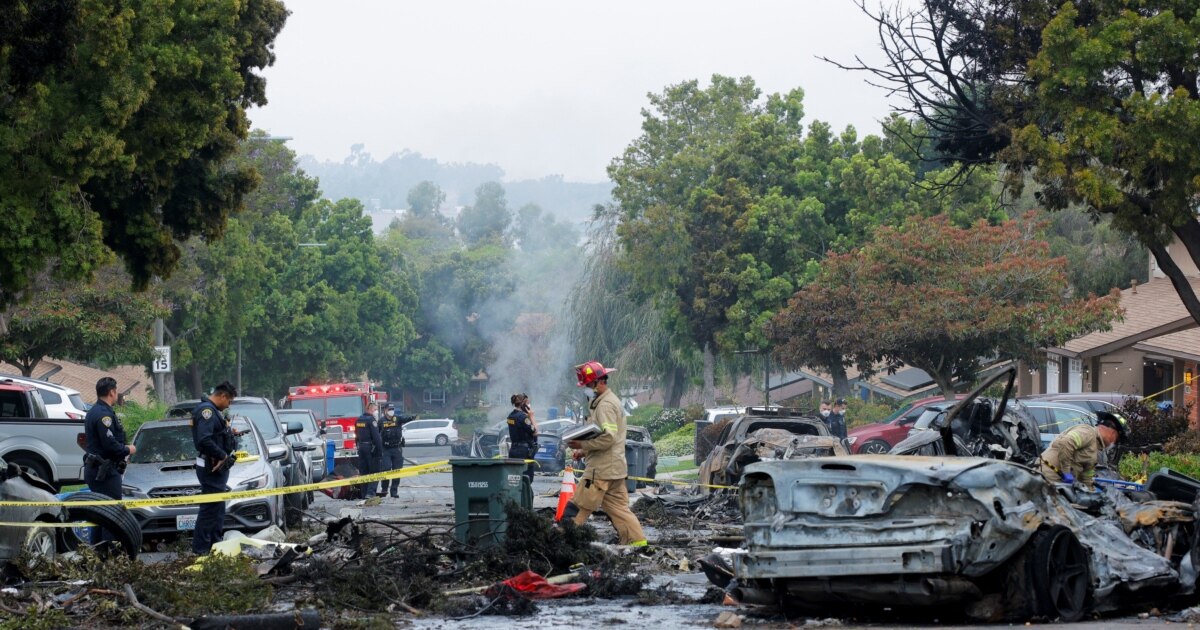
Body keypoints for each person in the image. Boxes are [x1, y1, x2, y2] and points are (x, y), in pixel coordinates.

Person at [564, 361, 648, 548]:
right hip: (614, 468)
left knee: (580, 506)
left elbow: (608, 438)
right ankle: (638, 543)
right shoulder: (606, 402)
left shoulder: (605, 405)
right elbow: (604, 435)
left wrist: (582, 444)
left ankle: (563, 542)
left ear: (599, 382)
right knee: (618, 509)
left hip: (601, 470)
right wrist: (583, 451)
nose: (586, 389)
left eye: (587, 385)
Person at [83, 377, 135, 549]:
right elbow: (110, 445)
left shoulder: (94, 411)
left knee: (99, 515)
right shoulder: (104, 415)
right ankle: (109, 555)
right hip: (104, 472)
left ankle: (97, 554)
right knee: (111, 515)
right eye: (116, 391)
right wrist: (128, 449)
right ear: (112, 392)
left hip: (97, 469)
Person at [191, 381, 238, 555]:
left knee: (217, 509)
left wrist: (229, 434)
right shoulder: (207, 411)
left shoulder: (213, 411)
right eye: (229, 401)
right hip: (211, 467)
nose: (228, 405)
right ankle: (201, 549)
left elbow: (214, 435)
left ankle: (215, 546)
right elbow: (204, 439)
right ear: (223, 396)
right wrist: (222, 455)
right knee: (210, 510)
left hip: (215, 468)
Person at [1040, 411, 1126, 489]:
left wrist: (1091, 492)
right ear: (1112, 433)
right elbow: (1066, 442)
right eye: (1117, 439)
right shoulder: (1088, 433)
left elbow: (1087, 476)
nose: (1114, 443)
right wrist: (1066, 471)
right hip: (1048, 477)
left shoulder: (1095, 448)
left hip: (1060, 483)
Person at [506, 393, 539, 484]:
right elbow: (535, 432)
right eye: (528, 403)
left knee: (514, 479)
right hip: (524, 452)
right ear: (523, 404)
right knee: (527, 479)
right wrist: (532, 417)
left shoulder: (511, 416)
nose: (529, 405)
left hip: (513, 450)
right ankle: (524, 497)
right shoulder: (523, 418)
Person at [356, 402, 384, 498]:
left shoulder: (359, 420)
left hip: (361, 448)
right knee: (375, 471)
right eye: (375, 409)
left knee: (364, 472)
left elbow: (356, 436)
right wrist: (380, 452)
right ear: (371, 409)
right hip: (371, 450)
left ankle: (364, 494)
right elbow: (377, 438)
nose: (376, 412)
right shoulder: (371, 420)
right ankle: (371, 493)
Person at [376, 404, 405, 498]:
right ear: (385, 410)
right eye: (389, 409)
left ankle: (394, 491)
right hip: (385, 448)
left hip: (397, 448)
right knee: (386, 469)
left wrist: (414, 417)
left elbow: (407, 419)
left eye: (392, 409)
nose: (391, 411)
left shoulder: (398, 419)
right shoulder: (381, 421)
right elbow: (376, 434)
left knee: (397, 470)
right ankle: (384, 489)